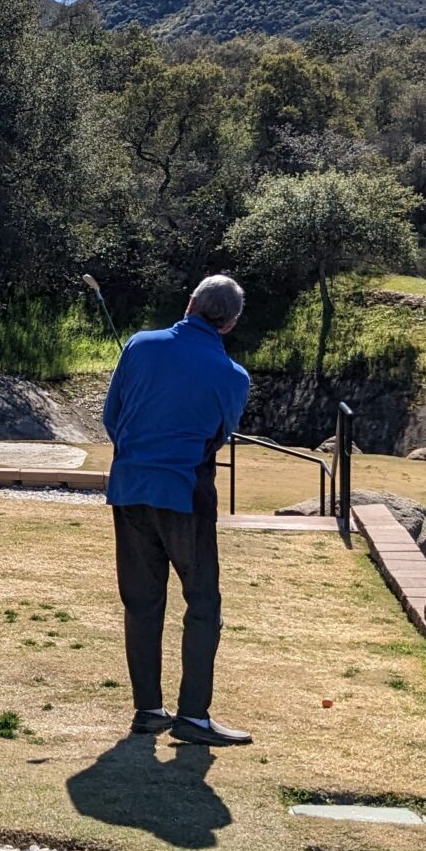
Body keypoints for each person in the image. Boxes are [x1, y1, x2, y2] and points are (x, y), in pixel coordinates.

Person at [101, 274, 253, 746]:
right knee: (202, 603)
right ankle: (193, 715)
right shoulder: (233, 375)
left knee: (142, 601)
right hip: (186, 493)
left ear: (190, 303)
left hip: (129, 486)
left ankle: (148, 709)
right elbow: (219, 436)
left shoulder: (138, 345)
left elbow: (112, 417)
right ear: (230, 323)